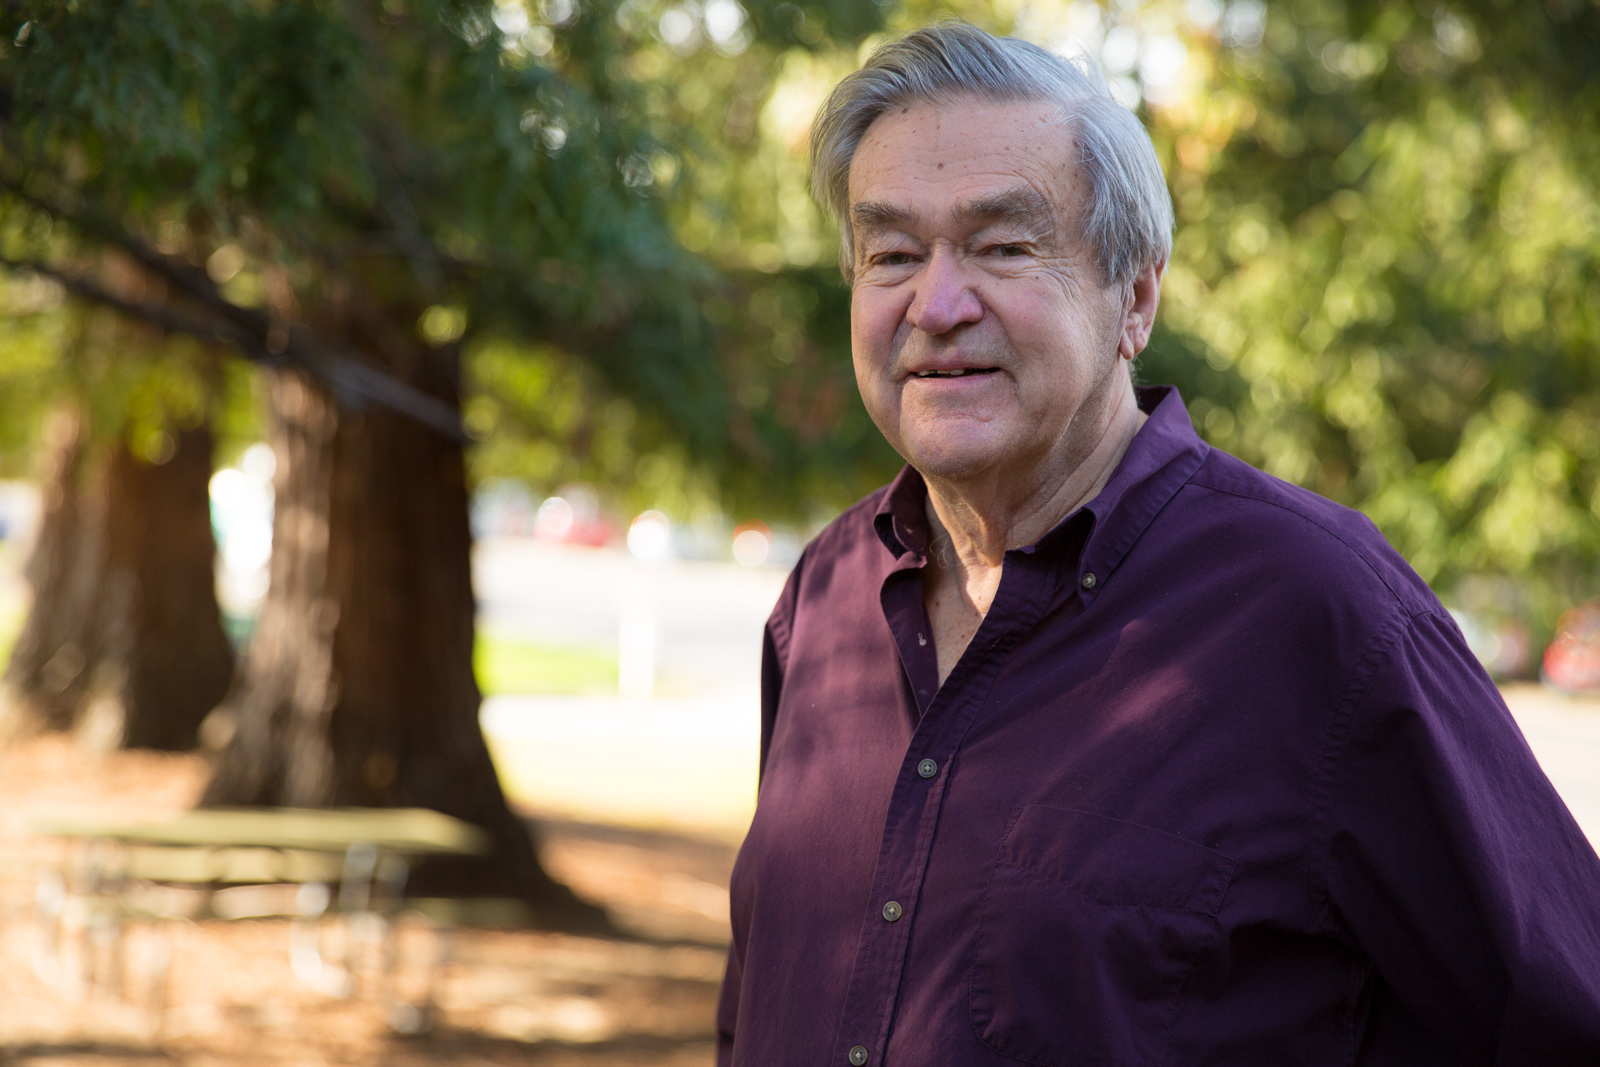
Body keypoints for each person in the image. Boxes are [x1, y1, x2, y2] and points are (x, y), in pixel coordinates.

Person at [715, 22, 1600, 1067]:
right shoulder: (824, 593)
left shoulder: (1321, 613)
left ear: (1134, 296)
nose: (937, 305)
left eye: (1003, 247)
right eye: (891, 255)